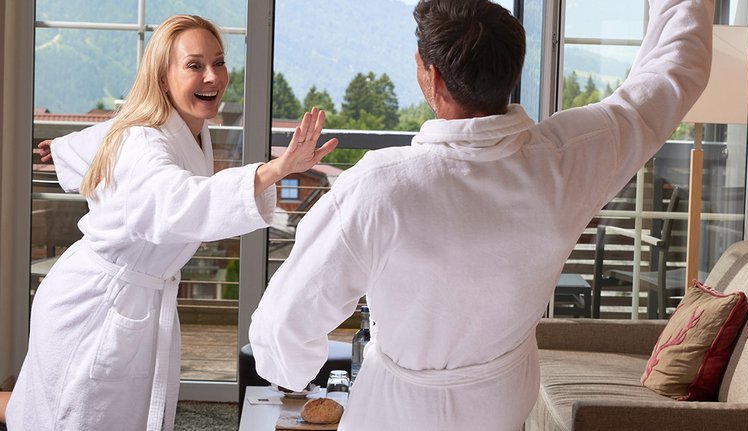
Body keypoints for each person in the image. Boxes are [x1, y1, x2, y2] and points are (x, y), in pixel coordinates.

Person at [248, 0, 714, 429]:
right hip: (502, 403)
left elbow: (285, 323)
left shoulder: (380, 186)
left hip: (399, 412)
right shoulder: (566, 159)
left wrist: (291, 370)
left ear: (431, 77)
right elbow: (672, 73)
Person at [5, 14, 337, 431]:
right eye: (194, 65)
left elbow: (107, 134)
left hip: (133, 298)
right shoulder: (144, 140)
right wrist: (274, 170)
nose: (212, 76)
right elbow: (177, 200)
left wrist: (63, 148)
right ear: (163, 77)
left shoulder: (176, 128)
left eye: (218, 62)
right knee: (75, 417)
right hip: (96, 305)